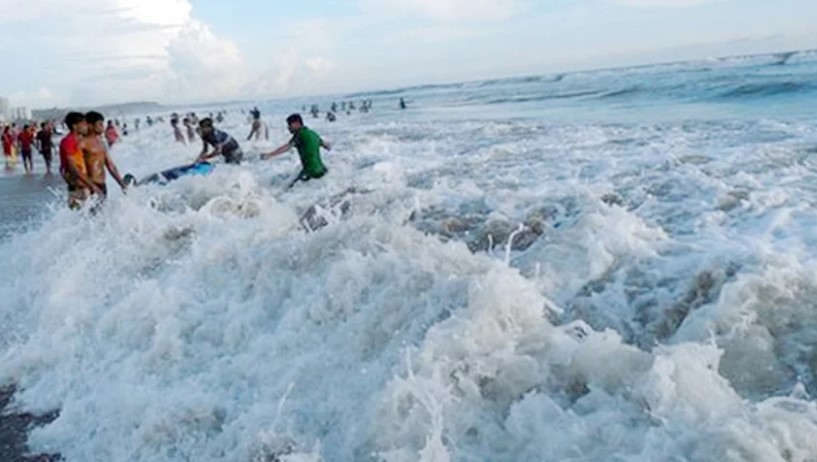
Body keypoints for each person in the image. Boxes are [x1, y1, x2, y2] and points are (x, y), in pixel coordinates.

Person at [261, 114, 330, 187]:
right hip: (323, 170)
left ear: (297, 123)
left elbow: (288, 147)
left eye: (290, 125)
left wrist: (270, 154)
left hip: (310, 171)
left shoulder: (300, 134)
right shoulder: (313, 133)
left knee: (289, 188)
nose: (288, 128)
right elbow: (327, 146)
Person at [59, 112, 101, 209]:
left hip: (85, 185)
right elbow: (73, 167)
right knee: (80, 215)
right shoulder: (69, 141)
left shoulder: (81, 140)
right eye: (83, 124)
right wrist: (92, 185)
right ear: (74, 126)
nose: (86, 127)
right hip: (77, 188)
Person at [81, 111, 127, 198]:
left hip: (101, 185)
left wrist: (121, 183)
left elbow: (110, 166)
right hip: (89, 185)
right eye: (100, 124)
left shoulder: (101, 143)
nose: (103, 127)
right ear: (90, 125)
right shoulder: (82, 143)